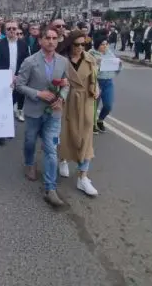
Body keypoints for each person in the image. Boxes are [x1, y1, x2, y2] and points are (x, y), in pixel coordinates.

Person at [15, 27, 69, 207]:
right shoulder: (30, 62)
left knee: (51, 149)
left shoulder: (63, 61)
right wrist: (38, 94)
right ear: (40, 41)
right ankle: (29, 163)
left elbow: (66, 84)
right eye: (48, 38)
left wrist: (61, 97)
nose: (52, 41)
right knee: (30, 141)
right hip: (34, 111)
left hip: (54, 112)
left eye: (55, 38)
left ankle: (50, 188)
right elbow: (19, 85)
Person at [59, 29, 99, 197]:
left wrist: (96, 89)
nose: (80, 47)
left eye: (84, 44)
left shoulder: (90, 60)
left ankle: (83, 177)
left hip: (86, 102)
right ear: (70, 44)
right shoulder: (61, 60)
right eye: (77, 44)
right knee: (66, 134)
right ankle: (63, 159)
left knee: (86, 137)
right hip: (67, 100)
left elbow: (94, 81)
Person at [0, 20, 29, 140]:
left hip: (18, 79)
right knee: (4, 106)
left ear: (18, 29)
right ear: (5, 31)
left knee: (12, 104)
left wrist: (19, 75)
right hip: (4, 80)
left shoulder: (23, 44)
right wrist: (7, 76)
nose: (12, 31)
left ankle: (7, 128)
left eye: (14, 28)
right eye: (9, 29)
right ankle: (1, 133)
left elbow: (26, 62)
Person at [89, 37, 121, 133]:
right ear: (97, 45)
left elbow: (115, 66)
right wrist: (96, 63)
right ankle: (92, 125)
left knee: (108, 105)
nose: (105, 46)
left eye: (106, 44)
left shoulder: (109, 53)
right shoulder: (91, 53)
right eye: (103, 44)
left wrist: (119, 64)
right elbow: (87, 69)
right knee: (93, 106)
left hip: (108, 82)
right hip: (96, 81)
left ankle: (100, 120)